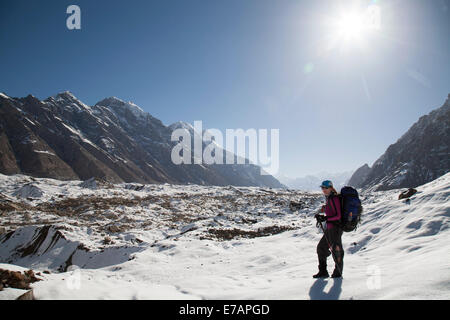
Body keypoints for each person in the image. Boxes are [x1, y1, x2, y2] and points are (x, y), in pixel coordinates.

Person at [313, 180, 344, 278]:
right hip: (330, 228)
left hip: (336, 228)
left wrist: (326, 218)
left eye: (325, 188)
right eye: (322, 188)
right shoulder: (329, 198)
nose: (323, 190)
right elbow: (330, 210)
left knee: (337, 250)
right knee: (321, 248)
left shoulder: (334, 198)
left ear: (330, 187)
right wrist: (322, 213)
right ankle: (323, 271)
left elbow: (338, 216)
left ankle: (338, 272)